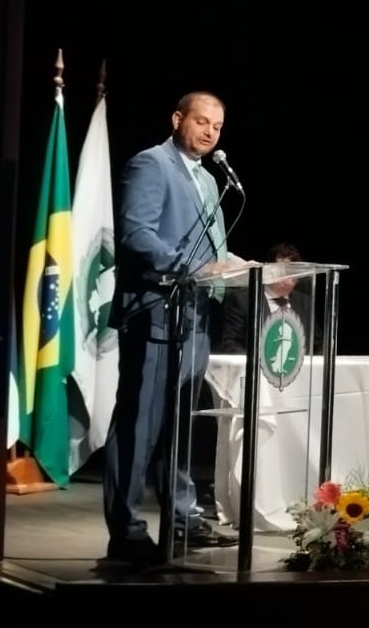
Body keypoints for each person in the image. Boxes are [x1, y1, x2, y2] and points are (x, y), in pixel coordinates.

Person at [104, 91, 242, 566]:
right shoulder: (151, 165)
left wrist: (233, 268)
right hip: (156, 314)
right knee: (139, 427)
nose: (209, 132)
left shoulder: (208, 180)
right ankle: (125, 528)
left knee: (181, 427)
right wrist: (188, 267)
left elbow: (213, 249)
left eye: (217, 127)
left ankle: (182, 517)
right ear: (177, 118)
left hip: (197, 318)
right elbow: (137, 234)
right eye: (201, 121)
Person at [217, 242, 315, 354]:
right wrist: (258, 363)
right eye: (284, 271)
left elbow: (317, 342)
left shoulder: (304, 302)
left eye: (293, 272)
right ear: (269, 270)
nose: (289, 277)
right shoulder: (243, 300)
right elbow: (230, 343)